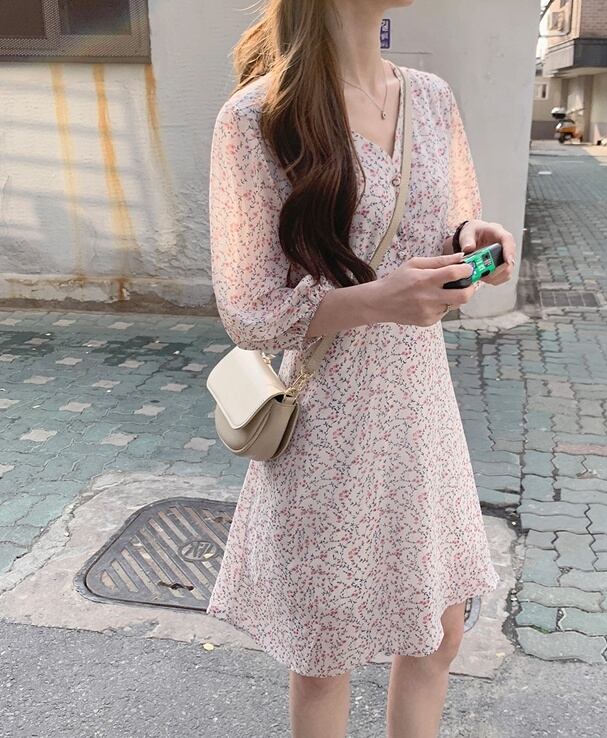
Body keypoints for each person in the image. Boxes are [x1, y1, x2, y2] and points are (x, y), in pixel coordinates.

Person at [206, 1, 516, 736]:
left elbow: (452, 217)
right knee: (324, 658)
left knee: (440, 635)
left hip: (421, 411)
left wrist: (473, 238)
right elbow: (247, 311)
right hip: (329, 422)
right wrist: (377, 300)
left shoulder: (431, 98)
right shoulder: (257, 117)